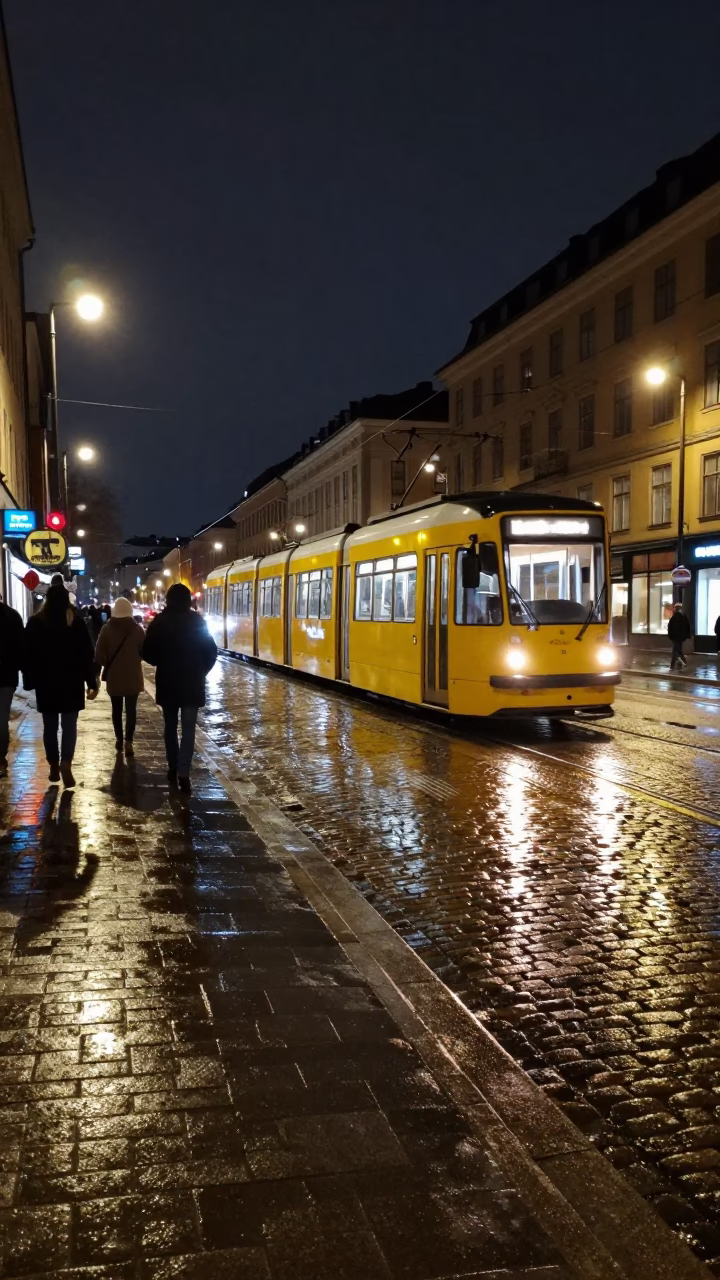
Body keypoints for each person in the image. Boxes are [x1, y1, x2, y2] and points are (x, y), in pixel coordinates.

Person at [141, 583, 217, 793]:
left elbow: (146, 652)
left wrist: (161, 661)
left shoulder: (160, 621)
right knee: (189, 728)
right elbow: (211, 651)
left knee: (170, 726)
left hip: (168, 681)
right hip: (192, 682)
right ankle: (184, 772)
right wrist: (202, 671)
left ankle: (172, 765)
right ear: (187, 600)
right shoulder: (196, 621)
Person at [23, 583, 98, 787]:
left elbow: (27, 654)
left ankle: (54, 764)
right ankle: (66, 762)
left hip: (46, 683)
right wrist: (92, 682)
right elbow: (86, 655)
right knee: (69, 726)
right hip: (71, 682)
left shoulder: (36, 622)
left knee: (50, 726)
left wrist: (30, 680)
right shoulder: (76, 623)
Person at [94, 597, 145, 756]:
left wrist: (108, 662)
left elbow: (99, 655)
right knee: (131, 710)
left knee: (116, 710)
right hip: (133, 677)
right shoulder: (138, 630)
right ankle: (129, 741)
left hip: (114, 678)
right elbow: (144, 652)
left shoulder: (106, 629)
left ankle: (119, 739)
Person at [0, 592, 25, 774]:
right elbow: (21, 646)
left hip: (8, 674)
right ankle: (0, 758)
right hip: (7, 676)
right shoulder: (13, 616)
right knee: (2, 718)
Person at [667, 602, 692, 671]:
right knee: (678, 651)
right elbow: (687, 627)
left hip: (676, 638)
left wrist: (671, 636)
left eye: (675, 608)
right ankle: (679, 664)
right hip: (679, 638)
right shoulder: (683, 616)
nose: (673, 609)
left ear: (677, 608)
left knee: (676, 651)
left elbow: (673, 628)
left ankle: (675, 665)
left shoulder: (677, 616)